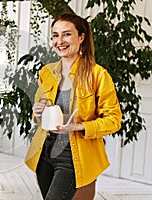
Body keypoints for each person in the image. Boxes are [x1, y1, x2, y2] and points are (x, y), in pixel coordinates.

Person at [25, 13, 122, 200]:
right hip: (44, 153)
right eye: (55, 35)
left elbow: (114, 120)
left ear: (81, 37)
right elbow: (38, 115)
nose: (59, 41)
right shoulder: (47, 72)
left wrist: (78, 127)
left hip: (72, 156)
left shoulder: (97, 75)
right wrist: (37, 112)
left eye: (66, 34)